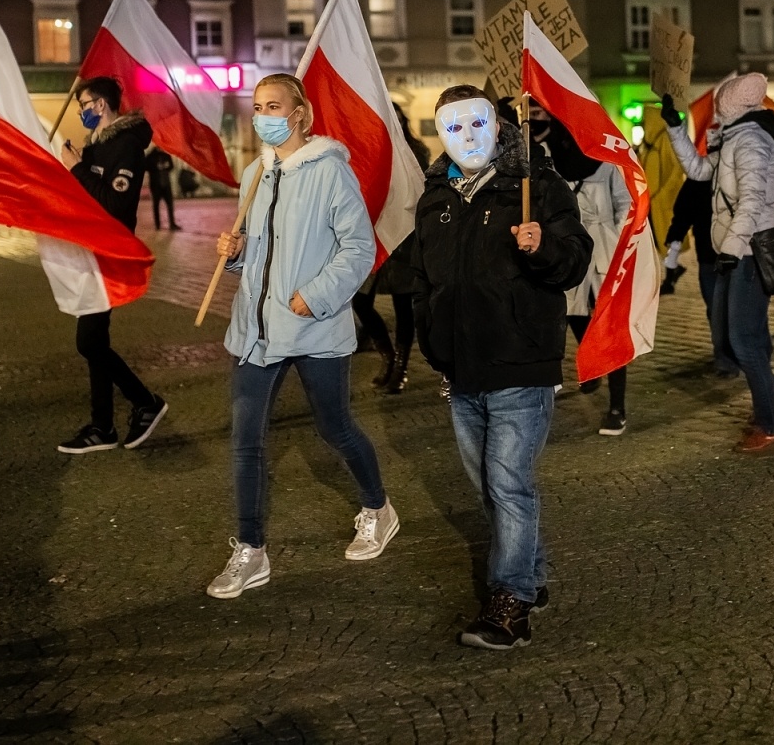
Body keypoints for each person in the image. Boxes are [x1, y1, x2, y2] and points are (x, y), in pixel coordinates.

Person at [409, 85, 591, 649]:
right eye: (453, 127)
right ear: (439, 134)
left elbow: (574, 262)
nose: (467, 137)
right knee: (490, 485)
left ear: (500, 125)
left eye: (477, 124)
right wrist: (434, 342)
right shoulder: (434, 198)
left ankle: (508, 603)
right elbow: (424, 280)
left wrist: (543, 249)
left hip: (520, 361)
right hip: (462, 369)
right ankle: (531, 578)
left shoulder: (536, 187)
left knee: (509, 483)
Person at [208, 73, 396, 599]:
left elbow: (359, 249)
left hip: (312, 325)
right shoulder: (254, 175)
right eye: (257, 106)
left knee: (335, 429)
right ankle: (251, 550)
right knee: (246, 441)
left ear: (299, 113)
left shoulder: (331, 173)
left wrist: (315, 295)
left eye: (274, 105)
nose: (264, 113)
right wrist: (236, 252)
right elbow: (257, 256)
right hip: (255, 330)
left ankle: (378, 508)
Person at [665, 73, 774, 450]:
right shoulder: (734, 137)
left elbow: (753, 202)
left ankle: (769, 423)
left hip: (747, 256)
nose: (716, 108)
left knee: (743, 340)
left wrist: (731, 252)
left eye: (721, 102)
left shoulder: (751, 141)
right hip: (734, 253)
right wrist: (676, 130)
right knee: (730, 335)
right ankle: (773, 391)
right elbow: (702, 172)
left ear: (733, 105)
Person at [56, 77, 168, 454]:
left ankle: (145, 402)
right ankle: (102, 426)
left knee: (89, 341)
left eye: (84, 104)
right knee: (95, 340)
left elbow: (117, 207)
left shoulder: (127, 147)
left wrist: (78, 169)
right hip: (90, 250)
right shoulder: (94, 148)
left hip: (109, 252)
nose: (82, 112)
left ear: (101, 105)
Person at [530, 102, 632, 434]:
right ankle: (593, 366)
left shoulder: (606, 158)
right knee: (572, 312)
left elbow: (624, 203)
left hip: (603, 246)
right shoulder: (548, 156)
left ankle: (617, 405)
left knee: (609, 324)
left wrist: (617, 244)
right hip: (568, 245)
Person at [351, 103, 431, 394]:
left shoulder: (416, 153)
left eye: (397, 120)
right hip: (373, 235)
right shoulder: (368, 149)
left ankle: (400, 367)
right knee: (360, 300)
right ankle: (386, 356)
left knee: (403, 306)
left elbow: (421, 192)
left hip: (403, 237)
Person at [146, 146, 180, 230]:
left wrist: (166, 166)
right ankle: (157, 225)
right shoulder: (150, 156)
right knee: (156, 205)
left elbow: (171, 166)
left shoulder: (166, 155)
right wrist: (156, 166)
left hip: (166, 184)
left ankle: (172, 224)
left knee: (170, 205)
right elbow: (145, 166)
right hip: (155, 185)